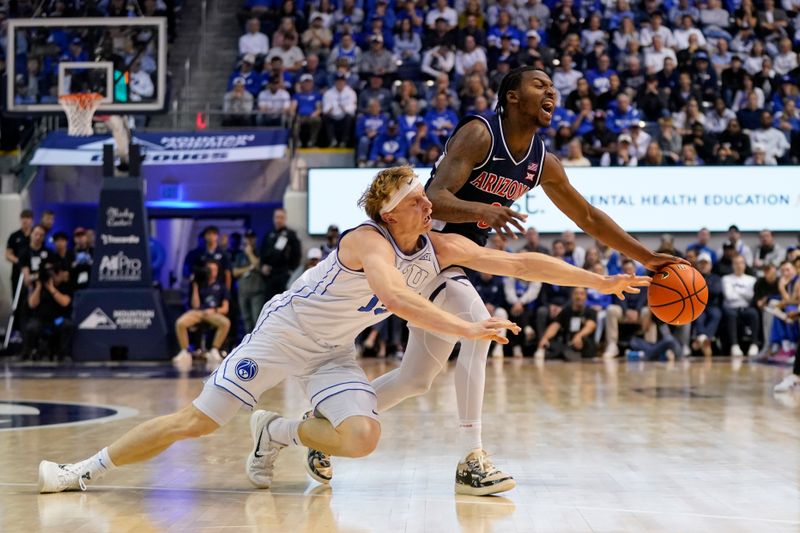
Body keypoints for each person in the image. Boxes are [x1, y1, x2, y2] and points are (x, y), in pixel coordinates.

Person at [37, 167, 647, 495]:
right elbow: (395, 296)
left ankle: (272, 431)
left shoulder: (438, 243)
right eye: (418, 199)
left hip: (331, 350)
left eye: (426, 200)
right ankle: (81, 471)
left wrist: (602, 281)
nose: (429, 205)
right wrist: (469, 325)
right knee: (196, 422)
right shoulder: (364, 241)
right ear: (389, 211)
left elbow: (517, 263)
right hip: (281, 335)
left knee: (360, 438)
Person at [306, 67, 682, 496]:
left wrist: (647, 257)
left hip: (461, 260)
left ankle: (321, 426)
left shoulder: (542, 162)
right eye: (539, 84)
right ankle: (472, 459)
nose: (550, 91)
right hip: (424, 250)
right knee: (479, 325)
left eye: (551, 86)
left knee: (415, 380)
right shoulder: (480, 134)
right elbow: (437, 197)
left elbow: (589, 217)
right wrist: (484, 212)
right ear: (511, 97)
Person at [172, 260, 231, 366]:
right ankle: (185, 351)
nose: (212, 272)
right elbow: (195, 305)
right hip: (199, 312)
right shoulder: (200, 284)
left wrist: (214, 310)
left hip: (213, 312)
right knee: (180, 323)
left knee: (225, 322)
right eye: (209, 269)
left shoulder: (221, 286)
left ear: (217, 271)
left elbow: (225, 308)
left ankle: (214, 349)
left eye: (214, 270)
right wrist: (195, 285)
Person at [22, 261, 74, 361]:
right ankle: (29, 352)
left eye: (53, 273)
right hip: (40, 319)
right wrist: (38, 287)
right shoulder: (37, 285)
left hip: (56, 319)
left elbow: (65, 302)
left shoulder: (64, 285)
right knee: (31, 327)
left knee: (68, 325)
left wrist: (51, 288)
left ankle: (64, 354)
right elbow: (32, 304)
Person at [536, 287, 597, 360]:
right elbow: (555, 326)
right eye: (576, 294)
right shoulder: (566, 311)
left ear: (586, 297)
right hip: (568, 343)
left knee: (585, 342)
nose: (578, 297)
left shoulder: (591, 312)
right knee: (552, 345)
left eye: (581, 294)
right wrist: (545, 338)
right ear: (572, 296)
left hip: (583, 343)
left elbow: (590, 327)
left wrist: (579, 336)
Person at [722, 255, 759, 357]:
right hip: (731, 308)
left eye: (741, 263)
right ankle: (734, 345)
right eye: (736, 263)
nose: (739, 265)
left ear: (745, 265)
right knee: (731, 315)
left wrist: (736, 290)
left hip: (746, 308)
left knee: (754, 313)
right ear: (732, 265)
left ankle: (754, 344)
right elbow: (729, 296)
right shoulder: (726, 279)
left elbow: (751, 296)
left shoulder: (751, 279)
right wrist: (744, 292)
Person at [260, 208, 301, 300]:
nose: (279, 220)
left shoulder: (291, 235)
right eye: (277, 217)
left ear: (285, 219)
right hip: (270, 275)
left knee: (284, 301)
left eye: (281, 217)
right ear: (273, 218)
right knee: (269, 302)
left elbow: (296, 254)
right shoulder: (268, 234)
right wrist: (263, 265)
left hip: (284, 274)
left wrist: (291, 271)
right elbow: (262, 252)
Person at [233, 230, 266, 334]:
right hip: (243, 292)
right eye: (247, 237)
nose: (249, 240)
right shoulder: (240, 255)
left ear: (255, 239)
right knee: (246, 320)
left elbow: (259, 267)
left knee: (257, 320)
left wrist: (250, 254)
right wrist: (249, 268)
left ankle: (257, 345)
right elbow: (235, 272)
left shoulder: (260, 252)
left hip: (257, 292)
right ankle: (248, 345)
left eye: (251, 237)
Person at [5, 208, 33, 297]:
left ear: (32, 220)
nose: (25, 220)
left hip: (33, 270)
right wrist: (19, 261)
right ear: (20, 219)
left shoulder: (36, 234)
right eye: (23, 217)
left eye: (28, 218)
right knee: (18, 296)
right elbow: (8, 254)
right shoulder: (14, 236)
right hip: (18, 271)